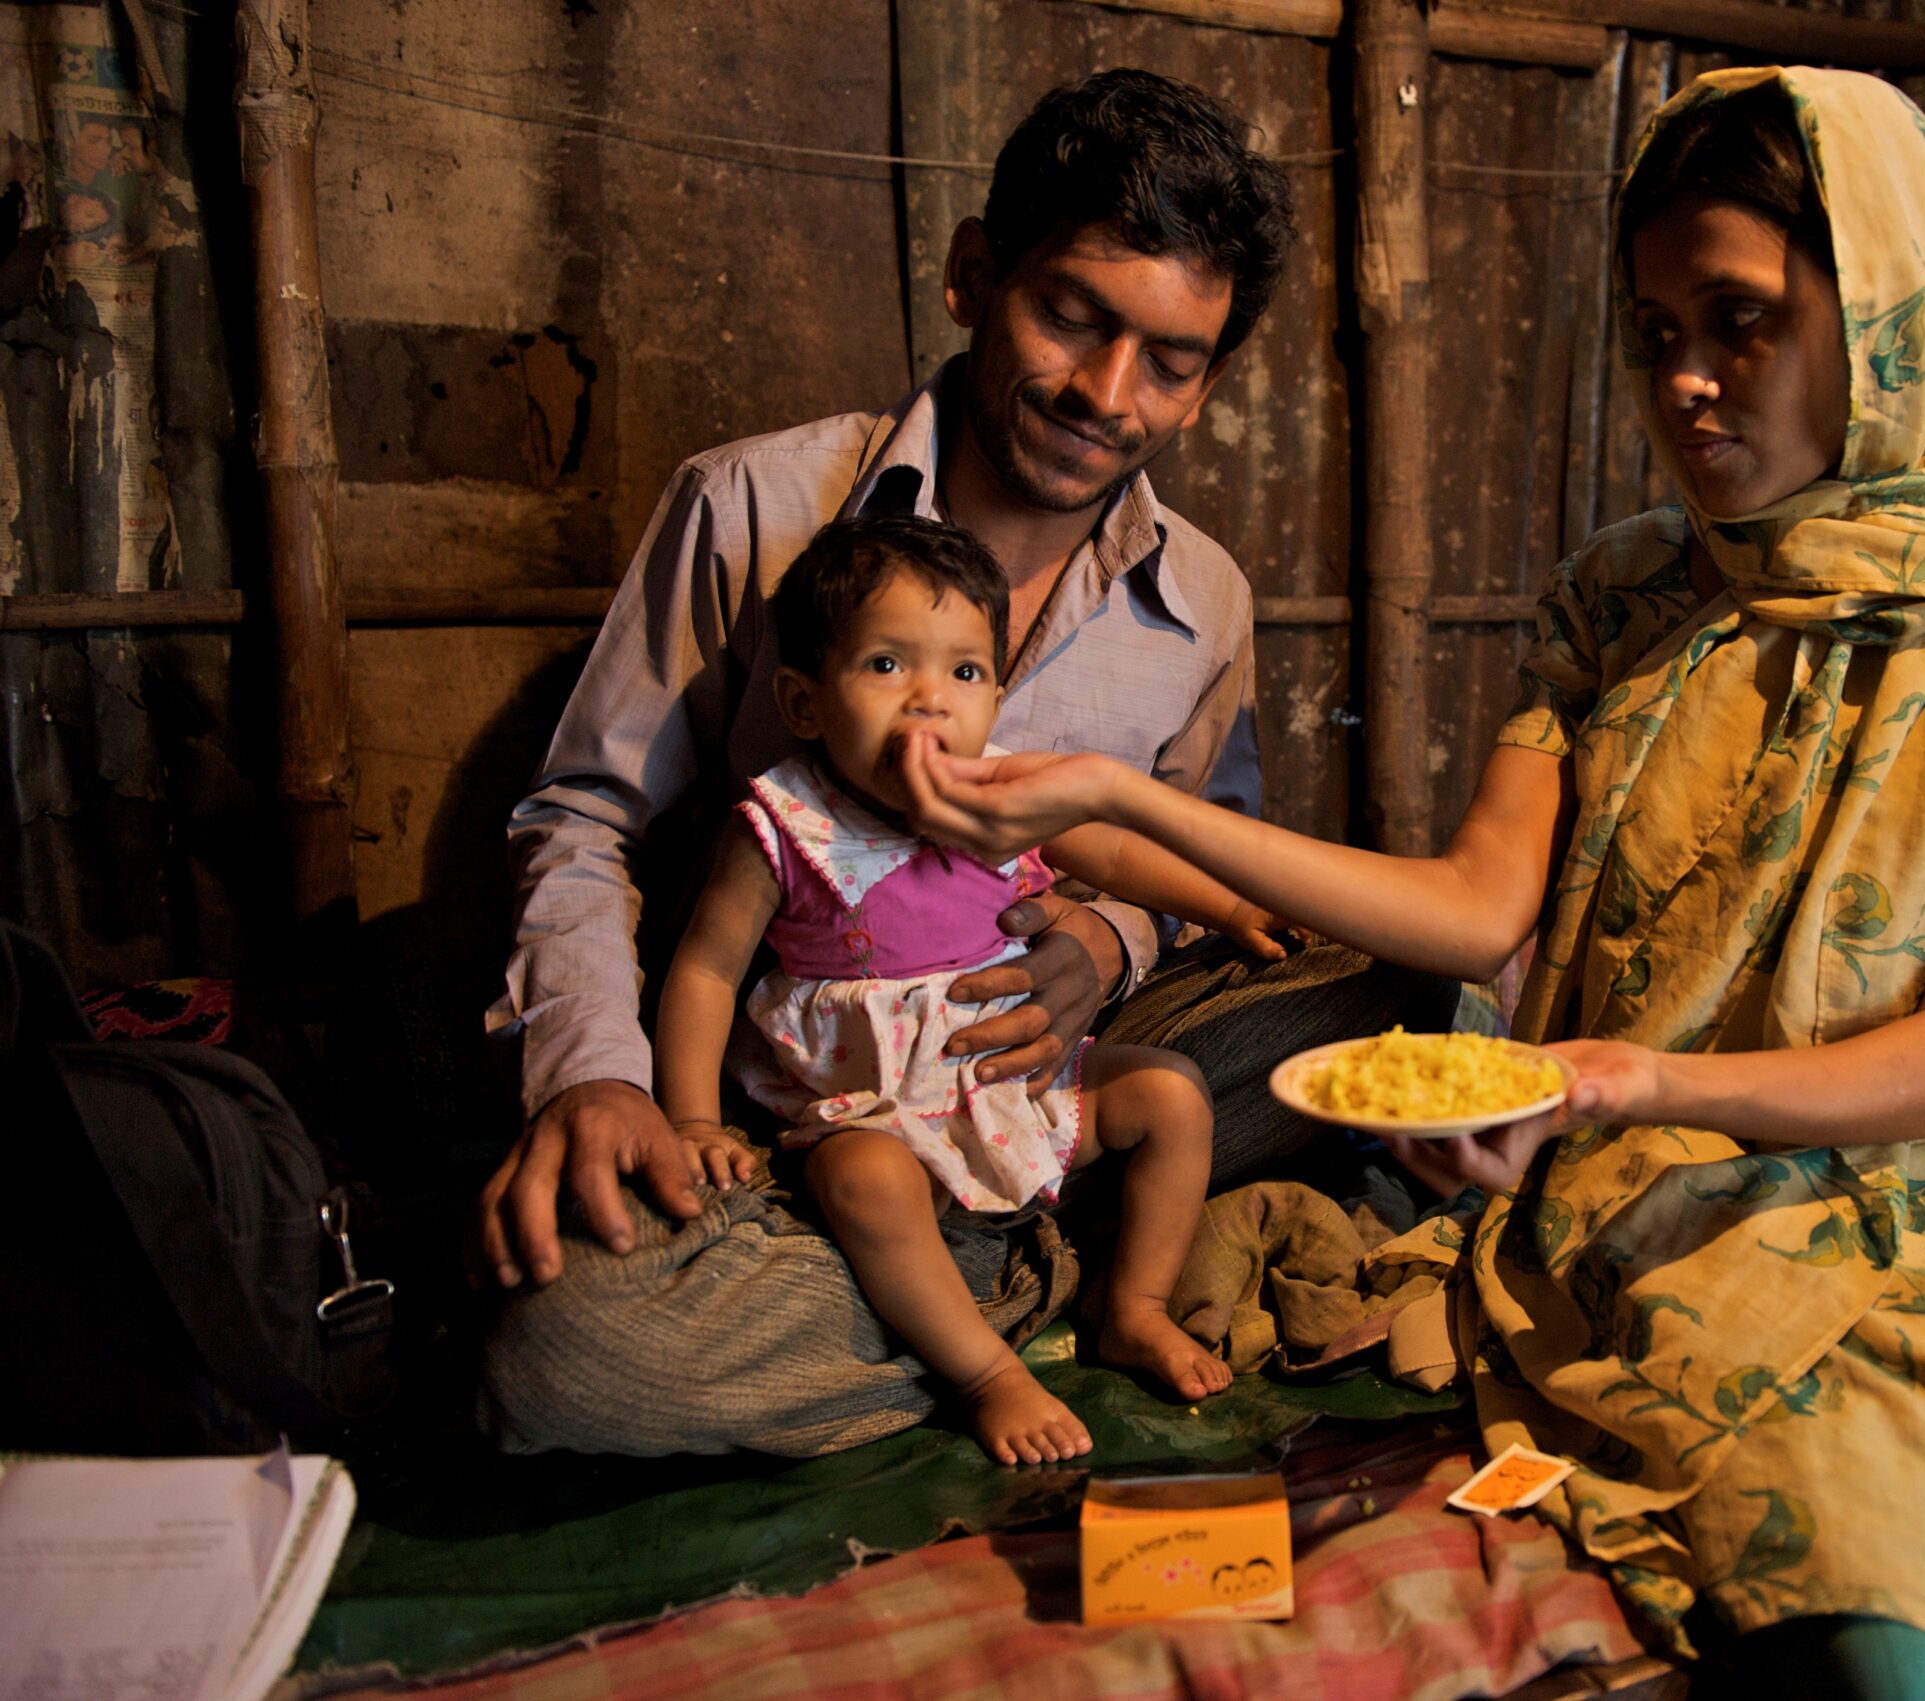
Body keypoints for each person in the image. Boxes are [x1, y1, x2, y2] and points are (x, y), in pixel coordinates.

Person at [905, 67, 1925, 1698]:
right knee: (1887, 1651)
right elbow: (1480, 907)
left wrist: (1633, 1074)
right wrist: (1121, 800)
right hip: (1664, 1178)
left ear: (1890, 318)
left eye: (1742, 322)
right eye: (1654, 332)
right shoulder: (1623, 596)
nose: (1690, 384)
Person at [477, 69, 1456, 1457]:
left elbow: (1190, 874)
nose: (1108, 395)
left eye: (1171, 362)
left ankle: (988, 1274)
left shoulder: (1207, 602)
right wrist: (597, 1076)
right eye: (1072, 315)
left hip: (1060, 1080)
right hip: (828, 1115)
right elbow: (582, 818)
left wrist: (1105, 949)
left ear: (1210, 380)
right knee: (569, 1354)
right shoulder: (749, 510)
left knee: (1403, 986)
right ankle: (1008, 1282)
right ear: (972, 274)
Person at [659, 515, 1268, 1463]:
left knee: (1174, 1096)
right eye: (887, 666)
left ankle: (1132, 1307)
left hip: (1019, 1080)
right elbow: (703, 968)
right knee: (861, 1184)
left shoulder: (1003, 795)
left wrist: (1228, 904)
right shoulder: (787, 826)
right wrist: (691, 1119)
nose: (930, 703)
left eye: (965, 673)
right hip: (879, 1112)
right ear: (806, 700)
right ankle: (986, 1369)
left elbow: (1108, 848)